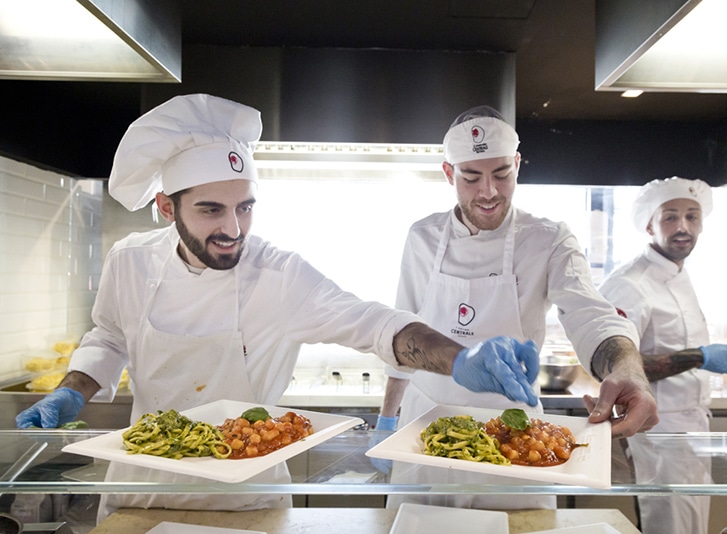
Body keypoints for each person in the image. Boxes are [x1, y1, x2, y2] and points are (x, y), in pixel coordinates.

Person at [14, 94, 544, 521]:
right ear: (166, 207)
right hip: (144, 490)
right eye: (210, 210)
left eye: (245, 208)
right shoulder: (128, 261)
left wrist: (458, 360)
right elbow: (108, 338)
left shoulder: (280, 274)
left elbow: (376, 323)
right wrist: (72, 390)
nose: (232, 229)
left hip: (246, 498)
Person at [378, 105, 659, 510]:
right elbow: (402, 333)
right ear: (447, 173)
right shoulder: (422, 237)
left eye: (502, 174)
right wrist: (388, 420)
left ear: (518, 164)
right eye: (471, 177)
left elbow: (591, 316)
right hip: (424, 432)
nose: (488, 192)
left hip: (514, 432)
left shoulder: (549, 240)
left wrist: (629, 371)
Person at [598, 176, 727, 533]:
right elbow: (617, 368)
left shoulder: (681, 274)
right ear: (650, 224)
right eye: (670, 216)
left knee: (694, 524)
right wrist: (699, 356)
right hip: (658, 430)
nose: (683, 227)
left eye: (691, 217)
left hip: (694, 427)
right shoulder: (630, 283)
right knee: (668, 524)